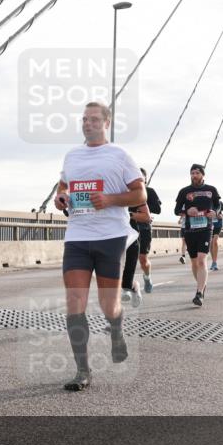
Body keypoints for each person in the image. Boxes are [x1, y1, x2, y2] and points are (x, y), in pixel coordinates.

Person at [54, 102, 146, 391]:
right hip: (77, 237)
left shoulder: (119, 155)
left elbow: (139, 194)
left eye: (94, 119)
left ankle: (116, 331)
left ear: (106, 123)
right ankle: (83, 371)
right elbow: (62, 186)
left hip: (110, 237)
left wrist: (109, 200)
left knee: (109, 304)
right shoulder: (72, 155)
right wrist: (62, 197)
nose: (87, 123)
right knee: (74, 303)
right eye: (84, 119)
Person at [175, 163, 220, 306]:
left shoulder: (211, 190)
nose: (194, 175)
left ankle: (199, 293)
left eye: (197, 173)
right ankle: (202, 284)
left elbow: (218, 205)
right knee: (194, 262)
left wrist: (216, 213)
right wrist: (187, 212)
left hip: (206, 228)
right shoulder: (184, 191)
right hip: (190, 229)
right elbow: (176, 210)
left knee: (202, 260)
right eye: (192, 173)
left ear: (203, 175)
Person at [120, 194, 151, 308]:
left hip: (130, 236)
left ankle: (128, 287)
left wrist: (127, 215)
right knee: (111, 272)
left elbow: (146, 217)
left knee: (127, 269)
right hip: (107, 235)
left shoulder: (133, 192)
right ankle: (134, 286)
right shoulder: (101, 189)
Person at [137, 168, 161, 292]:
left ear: (145, 178)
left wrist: (143, 209)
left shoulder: (149, 192)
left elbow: (157, 209)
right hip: (127, 227)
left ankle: (147, 277)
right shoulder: (125, 192)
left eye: (141, 176)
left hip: (144, 228)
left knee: (143, 260)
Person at [209, 198, 223, 271]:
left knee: (215, 241)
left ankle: (215, 262)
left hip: (218, 224)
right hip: (209, 224)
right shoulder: (207, 202)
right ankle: (213, 261)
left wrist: (222, 215)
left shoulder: (219, 203)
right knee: (210, 243)